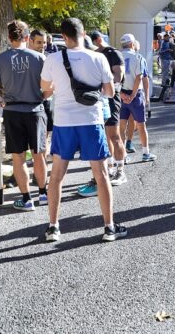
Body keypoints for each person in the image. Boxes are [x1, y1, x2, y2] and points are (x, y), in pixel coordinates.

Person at [40, 18, 125, 242]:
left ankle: (53, 227)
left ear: (64, 36)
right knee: (102, 174)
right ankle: (109, 227)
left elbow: (45, 91)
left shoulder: (53, 58)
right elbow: (109, 92)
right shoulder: (99, 57)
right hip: (91, 120)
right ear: (83, 33)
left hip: (64, 122)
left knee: (57, 175)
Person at [0, 20, 48, 211]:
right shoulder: (40, 58)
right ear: (27, 38)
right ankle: (43, 194)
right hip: (35, 110)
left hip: (13, 111)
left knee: (18, 157)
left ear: (8, 37)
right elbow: (50, 87)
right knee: (39, 156)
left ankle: (26, 198)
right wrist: (41, 97)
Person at [87, 31, 129, 189]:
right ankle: (110, 169)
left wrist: (108, 90)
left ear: (98, 40)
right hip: (97, 100)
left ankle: (121, 171)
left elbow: (118, 76)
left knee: (114, 135)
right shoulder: (93, 55)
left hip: (111, 99)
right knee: (104, 136)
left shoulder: (113, 53)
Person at [119, 34, 156, 162]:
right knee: (141, 125)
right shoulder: (138, 57)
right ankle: (146, 153)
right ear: (132, 44)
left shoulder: (117, 56)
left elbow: (113, 78)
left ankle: (122, 154)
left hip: (121, 94)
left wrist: (121, 94)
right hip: (135, 95)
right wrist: (134, 95)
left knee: (121, 125)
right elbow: (140, 77)